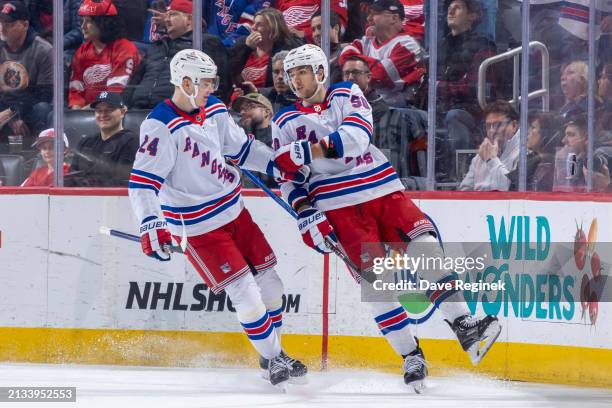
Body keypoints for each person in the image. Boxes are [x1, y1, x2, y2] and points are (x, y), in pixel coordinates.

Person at [271, 44, 501, 391]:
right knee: (378, 287)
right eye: (290, 74)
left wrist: (307, 150)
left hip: (381, 190)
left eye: (301, 71)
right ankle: (411, 355)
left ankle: (465, 327)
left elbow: (356, 138)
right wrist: (304, 212)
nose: (294, 80)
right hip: (338, 208)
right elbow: (287, 178)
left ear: (320, 72)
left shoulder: (346, 93)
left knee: (425, 250)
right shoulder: (283, 121)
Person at [127, 49, 308, 387]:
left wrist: (275, 163)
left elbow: (243, 149)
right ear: (185, 82)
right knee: (245, 294)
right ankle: (274, 358)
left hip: (236, 212)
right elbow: (142, 184)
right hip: (198, 227)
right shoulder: (159, 126)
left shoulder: (213, 110)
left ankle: (272, 353)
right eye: (205, 82)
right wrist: (150, 223)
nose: (211, 88)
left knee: (271, 283)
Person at [124, 0, 231, 108]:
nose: (166, 19)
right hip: (138, 111)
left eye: (172, 15)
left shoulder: (205, 43)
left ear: (189, 20)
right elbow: (135, 80)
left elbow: (220, 84)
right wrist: (125, 104)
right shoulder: (157, 46)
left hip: (177, 114)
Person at [437, 0, 496, 181]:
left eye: (458, 7)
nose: (451, 10)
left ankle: (457, 174)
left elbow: (473, 88)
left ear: (473, 15)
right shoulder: (441, 46)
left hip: (470, 111)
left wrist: (441, 87)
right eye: (449, 7)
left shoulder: (484, 46)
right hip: (440, 107)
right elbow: (426, 84)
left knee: (454, 116)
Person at [341, 55, 427, 179]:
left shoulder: (397, 119)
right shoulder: (337, 115)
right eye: (346, 74)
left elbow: (424, 177)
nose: (350, 78)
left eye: (355, 72)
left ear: (368, 77)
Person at [339, 0, 426, 107]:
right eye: (368, 14)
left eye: (374, 14)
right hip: (366, 107)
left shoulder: (408, 45)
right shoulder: (366, 41)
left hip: (397, 112)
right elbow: (344, 58)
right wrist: (377, 64)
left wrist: (360, 62)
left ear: (394, 18)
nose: (368, 18)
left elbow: (378, 75)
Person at [68, 0, 142, 109]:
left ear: (104, 23)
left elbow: (114, 93)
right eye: (82, 20)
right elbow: (75, 89)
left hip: (112, 112)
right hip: (85, 113)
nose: (83, 26)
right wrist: (76, 110)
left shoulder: (125, 48)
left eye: (88, 21)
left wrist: (85, 111)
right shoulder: (82, 51)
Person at [0, 0, 53, 146]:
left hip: (29, 108)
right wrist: (8, 116)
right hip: (3, 107)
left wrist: (14, 112)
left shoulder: (44, 50)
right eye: (1, 23)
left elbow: (44, 94)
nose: (3, 28)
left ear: (25, 25)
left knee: (42, 109)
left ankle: (41, 154)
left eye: (9, 24)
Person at [66, 92, 138, 187]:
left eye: (109, 110)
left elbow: (120, 181)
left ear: (122, 112)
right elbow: (71, 178)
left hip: (111, 200)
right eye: (99, 110)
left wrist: (84, 182)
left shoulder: (131, 141)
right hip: (79, 199)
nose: (103, 114)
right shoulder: (86, 142)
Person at [228, 8, 302, 96]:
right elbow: (228, 71)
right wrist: (246, 48)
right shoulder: (243, 44)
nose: (253, 27)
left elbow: (289, 84)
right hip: (241, 98)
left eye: (259, 25)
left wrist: (257, 92)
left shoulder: (288, 49)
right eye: (254, 23)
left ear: (273, 28)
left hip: (273, 100)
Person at [459, 100, 520, 191]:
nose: (492, 131)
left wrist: (491, 160)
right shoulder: (480, 156)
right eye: (488, 126)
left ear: (514, 126)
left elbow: (508, 190)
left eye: (498, 124)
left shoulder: (523, 155)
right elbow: (464, 189)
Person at [234, 92, 277, 188]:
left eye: (249, 107)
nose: (242, 112)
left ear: (267, 113)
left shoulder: (279, 142)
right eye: (241, 109)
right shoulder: (237, 145)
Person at [310, 10, 343, 84]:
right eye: (313, 30)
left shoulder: (345, 54)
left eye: (320, 27)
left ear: (336, 28)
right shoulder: (311, 61)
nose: (316, 33)